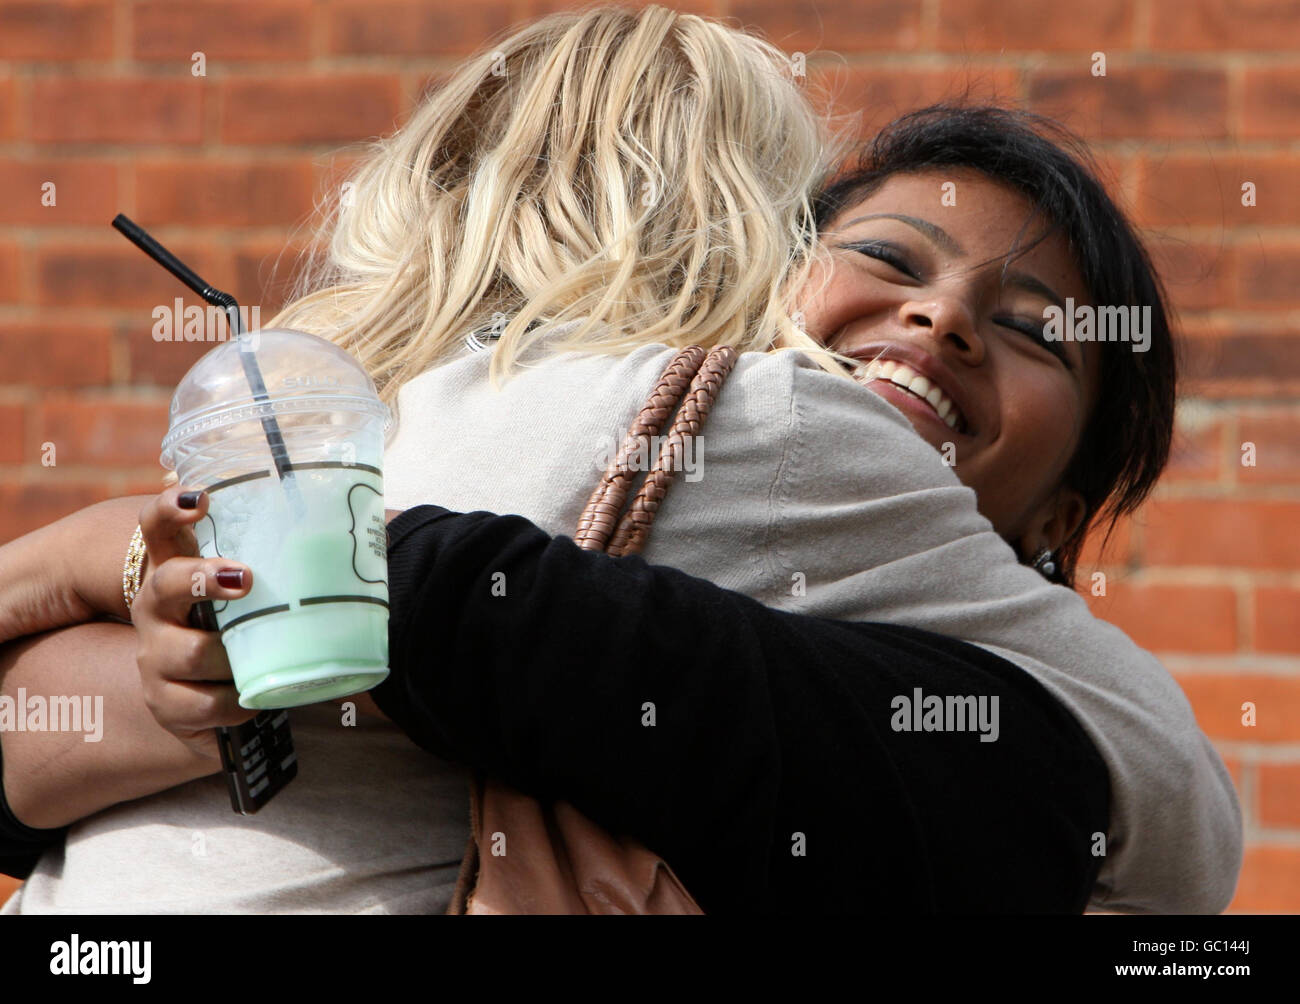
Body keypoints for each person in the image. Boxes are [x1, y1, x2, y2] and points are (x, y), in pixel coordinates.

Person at [0, 6, 1237, 914]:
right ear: (755, 233)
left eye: (1031, 331)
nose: (940, 320)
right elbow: (1179, 817)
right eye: (887, 259)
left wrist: (109, 566)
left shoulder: (337, 428)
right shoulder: (745, 417)